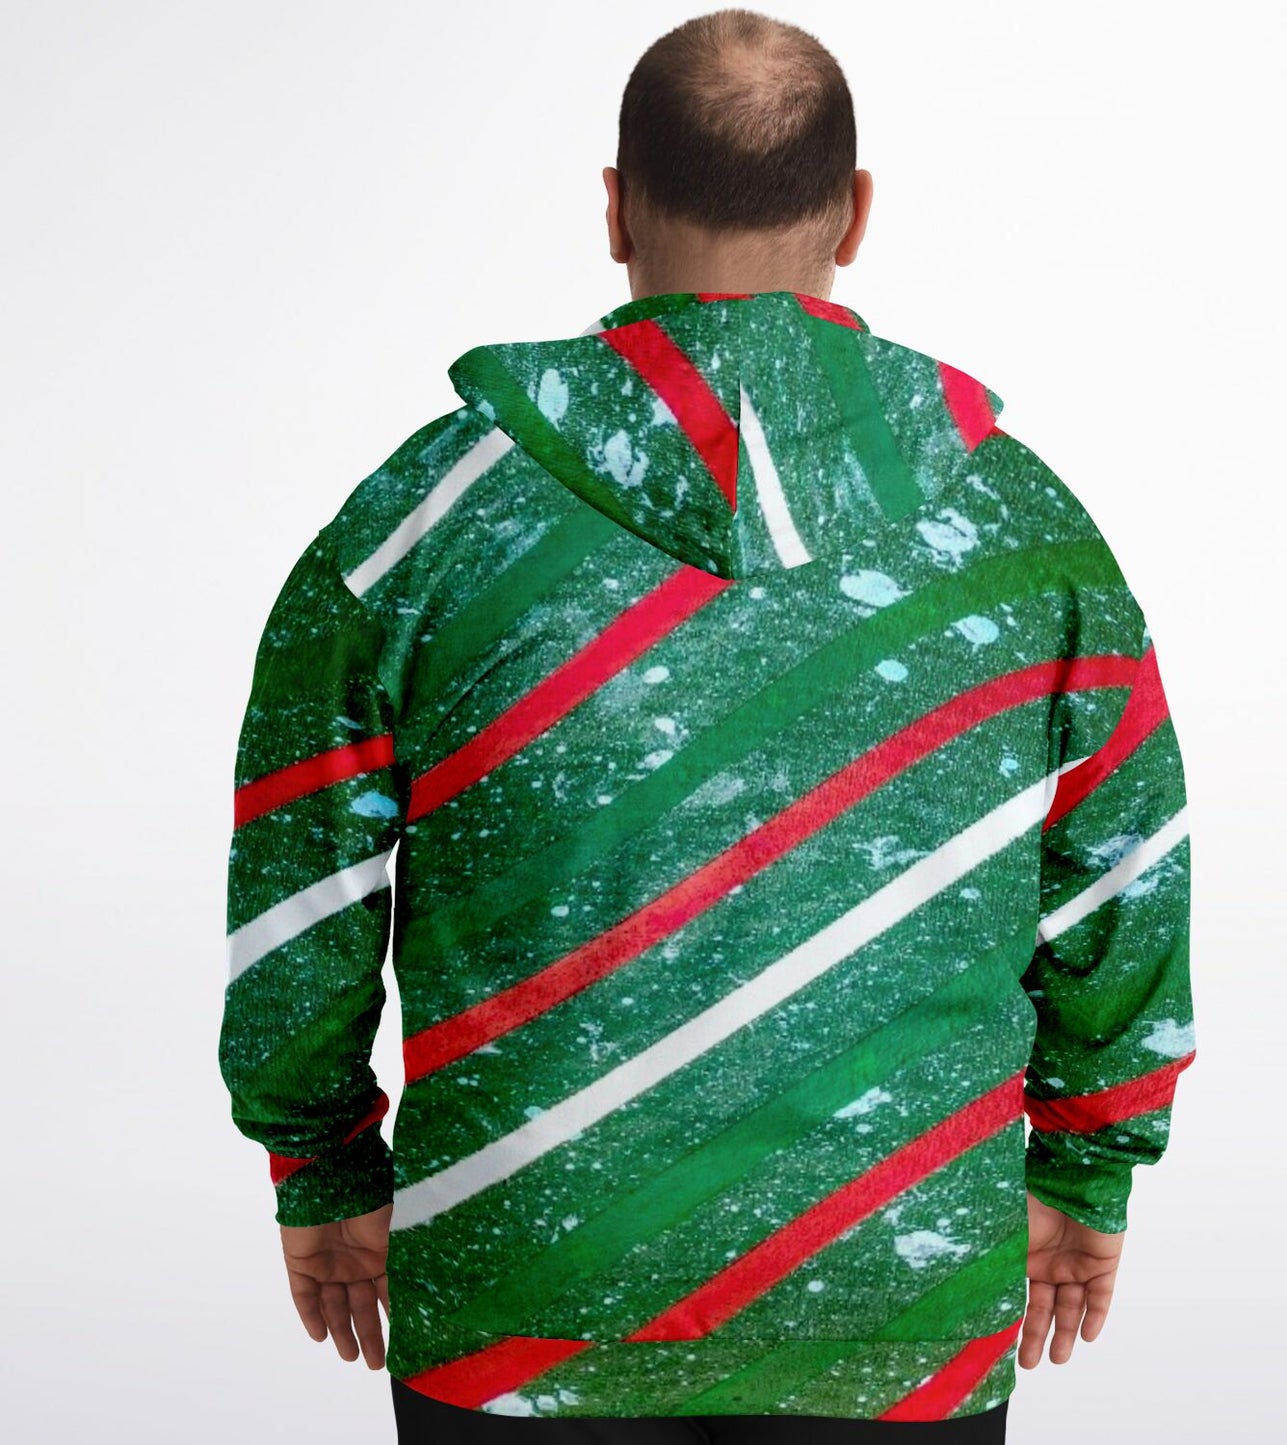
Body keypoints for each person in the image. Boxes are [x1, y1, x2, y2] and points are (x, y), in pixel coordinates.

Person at [218, 8, 1194, 1441]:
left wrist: (320, 1165)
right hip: (897, 1280)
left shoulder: (421, 525)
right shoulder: (1023, 531)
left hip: (524, 1270)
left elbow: (299, 868)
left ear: (615, 209)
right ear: (855, 213)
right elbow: (1129, 866)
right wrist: (1090, 1159)